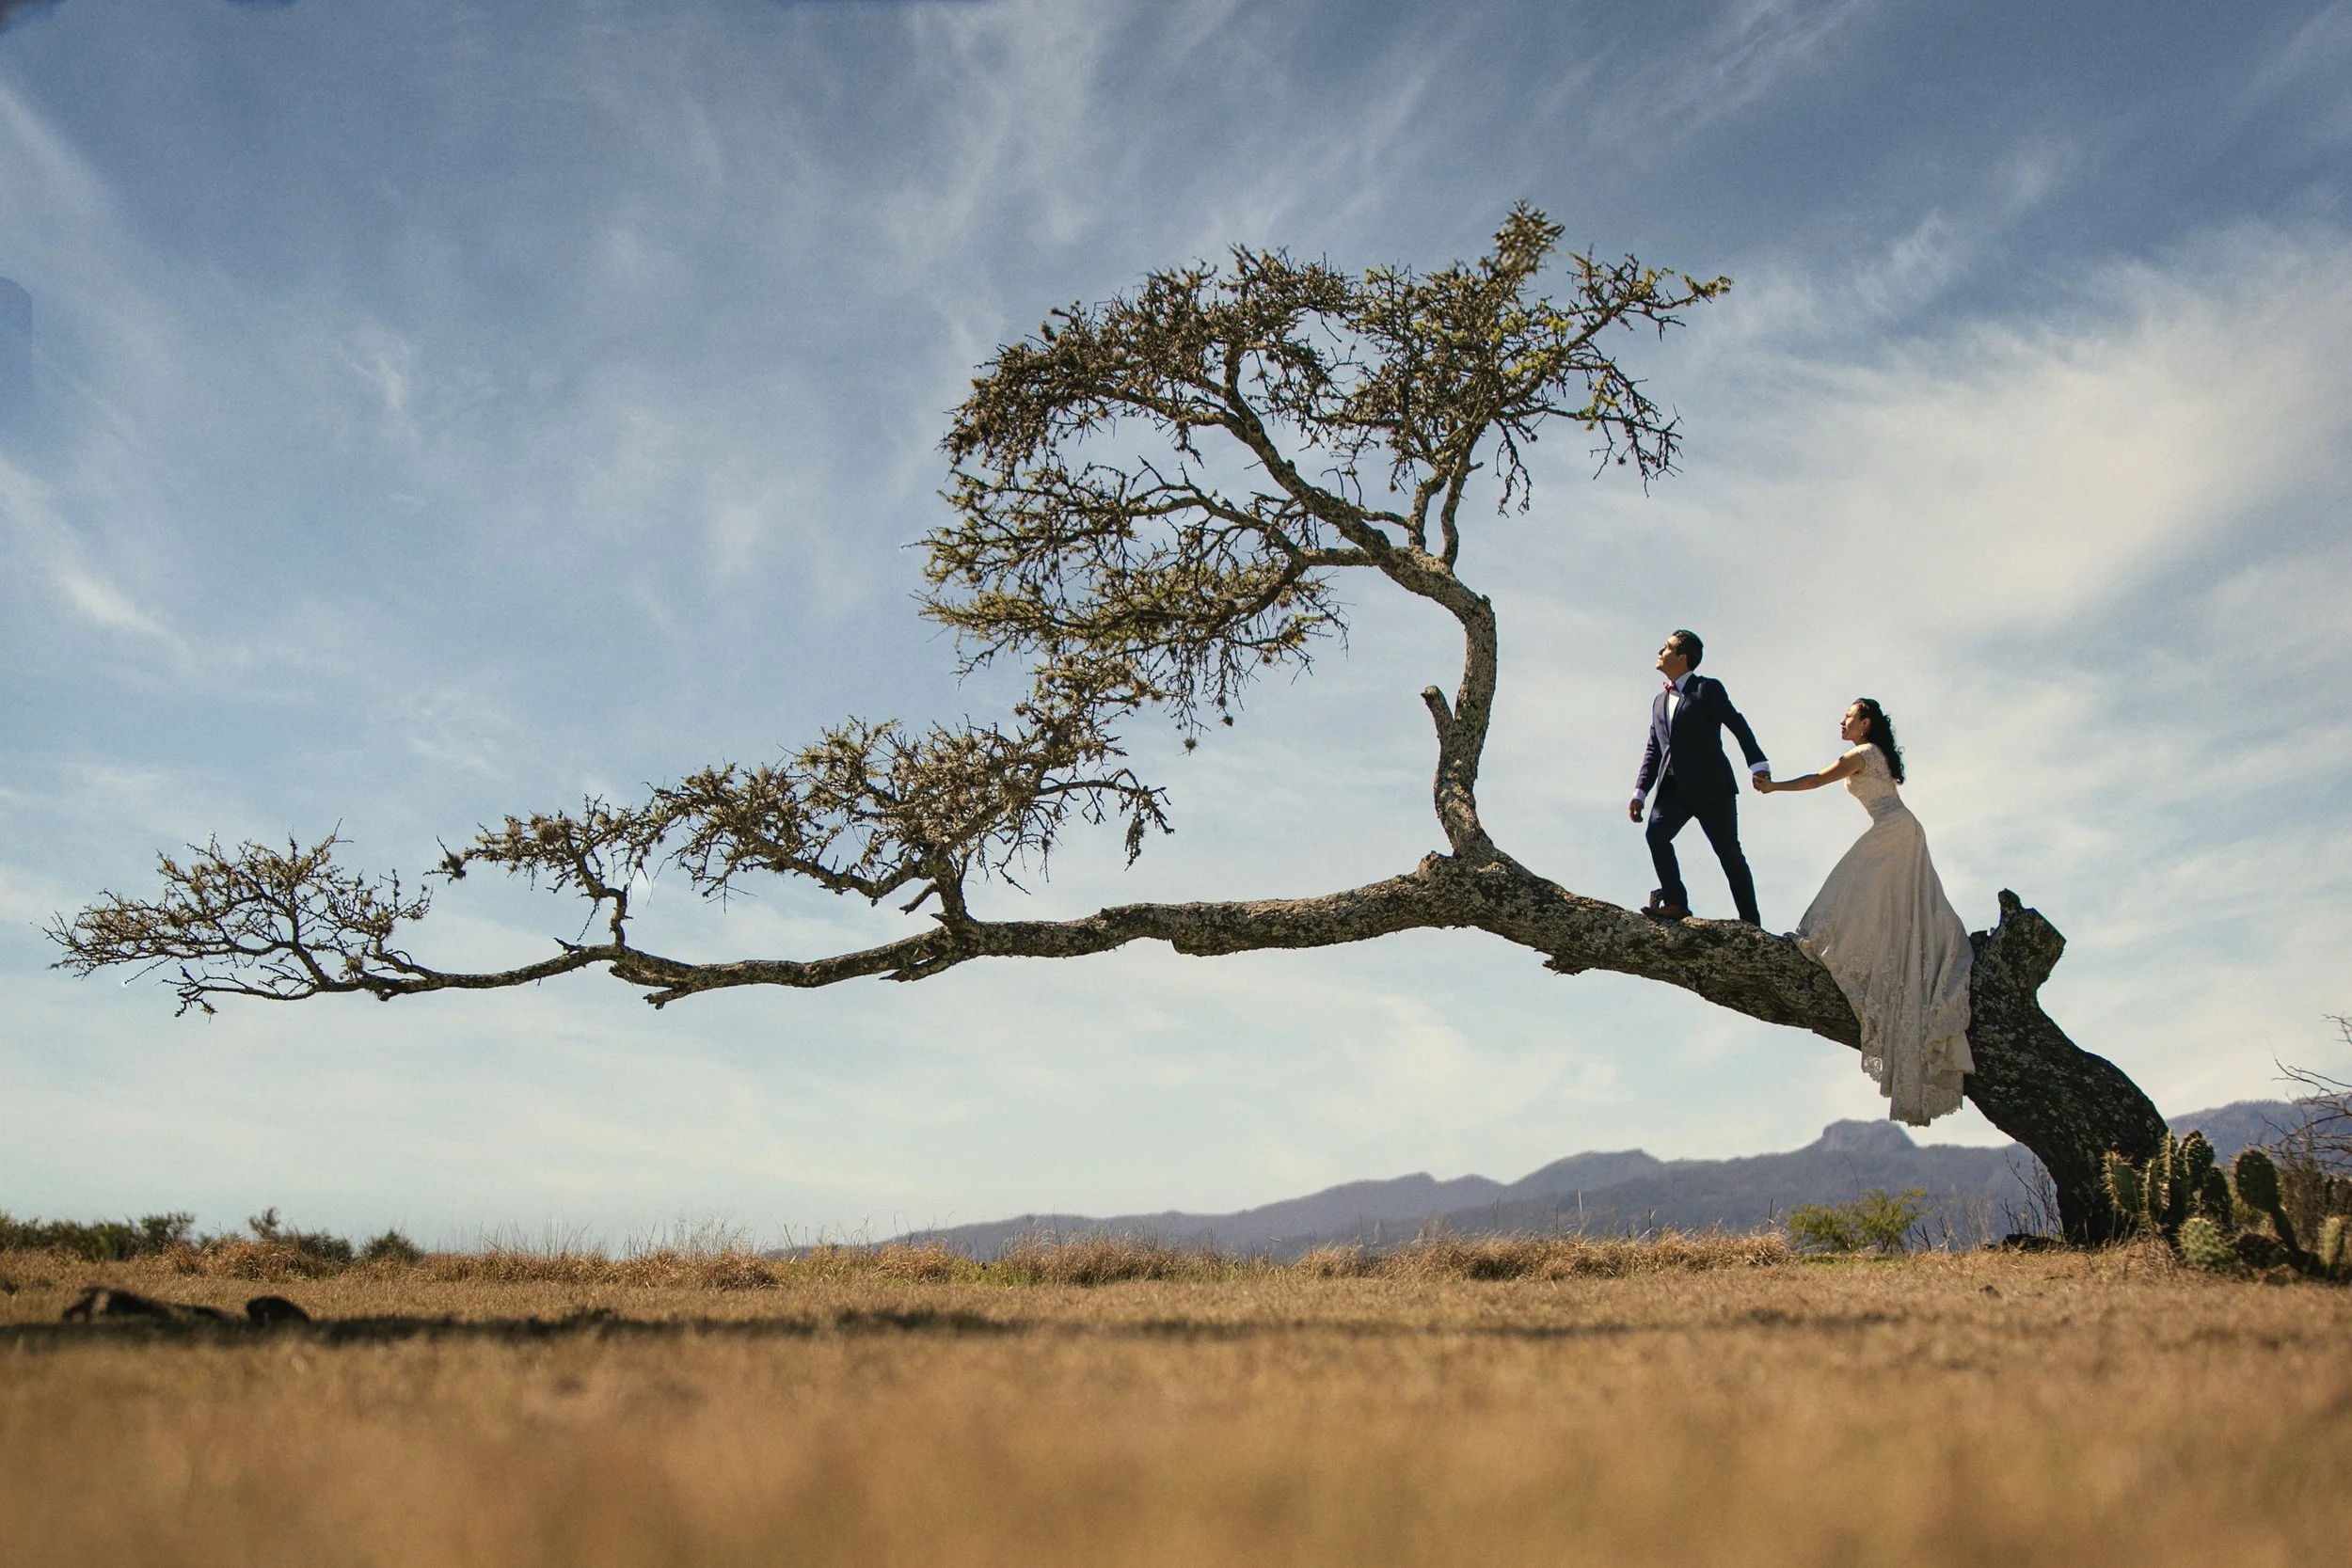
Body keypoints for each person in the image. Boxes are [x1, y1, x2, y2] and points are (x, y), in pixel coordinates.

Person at [1758, 699, 1973, 1126]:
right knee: (1883, 907)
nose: (1842, 720)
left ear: (1866, 723)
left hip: (1896, 829)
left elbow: (1818, 779)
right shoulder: (1870, 755)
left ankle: (1820, 940)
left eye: (1850, 715)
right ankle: (1852, 950)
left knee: (1850, 885)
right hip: (1900, 828)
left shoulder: (1861, 753)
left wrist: (1773, 786)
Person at [1629, 629, 1771, 925]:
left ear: (1682, 657)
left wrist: (1757, 763)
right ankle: (1676, 902)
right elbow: (1654, 749)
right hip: (1673, 791)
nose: (1659, 650)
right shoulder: (1657, 701)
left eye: (1666, 647)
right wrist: (1640, 792)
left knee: (1729, 854)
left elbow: (1736, 723)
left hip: (1712, 788)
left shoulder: (1707, 688)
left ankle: (1751, 922)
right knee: (1656, 835)